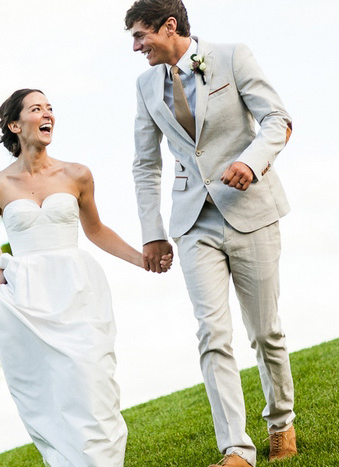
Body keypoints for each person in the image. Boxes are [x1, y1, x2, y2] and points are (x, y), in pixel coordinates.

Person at [124, 1, 296, 466]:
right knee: (212, 333)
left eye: (141, 36)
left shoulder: (233, 56)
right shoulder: (144, 86)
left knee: (265, 332)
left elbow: (277, 121)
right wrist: (152, 232)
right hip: (191, 221)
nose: (137, 47)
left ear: (170, 26)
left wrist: (251, 162)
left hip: (249, 208)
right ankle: (237, 449)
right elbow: (145, 163)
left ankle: (281, 420)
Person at [0, 88, 172, 467]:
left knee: (91, 381)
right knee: (49, 391)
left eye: (50, 108)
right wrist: (2, 273)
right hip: (30, 298)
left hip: (77, 290)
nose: (48, 114)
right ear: (15, 125)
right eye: (37, 109)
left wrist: (141, 258)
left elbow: (96, 230)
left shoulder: (77, 174)